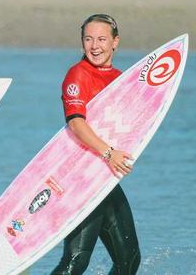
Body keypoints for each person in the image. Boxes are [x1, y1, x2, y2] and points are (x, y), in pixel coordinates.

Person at [51, 14, 141, 275]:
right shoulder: (77, 75)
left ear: (115, 42)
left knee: (129, 261)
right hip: (80, 179)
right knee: (76, 260)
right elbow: (76, 123)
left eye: (102, 39)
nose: (95, 45)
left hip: (104, 177)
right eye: (88, 39)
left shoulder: (121, 79)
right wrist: (109, 152)